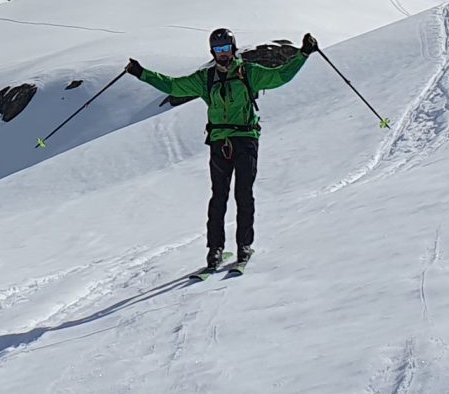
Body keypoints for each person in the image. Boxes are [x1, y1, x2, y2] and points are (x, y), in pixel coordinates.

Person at [126, 28, 317, 271]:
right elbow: (174, 86)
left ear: (233, 49)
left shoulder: (249, 72)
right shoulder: (206, 78)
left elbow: (280, 77)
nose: (223, 54)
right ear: (212, 52)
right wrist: (141, 73)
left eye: (226, 49)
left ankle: (244, 246)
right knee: (219, 197)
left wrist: (303, 54)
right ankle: (215, 250)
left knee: (243, 194)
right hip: (219, 141)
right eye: (218, 50)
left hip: (246, 138)